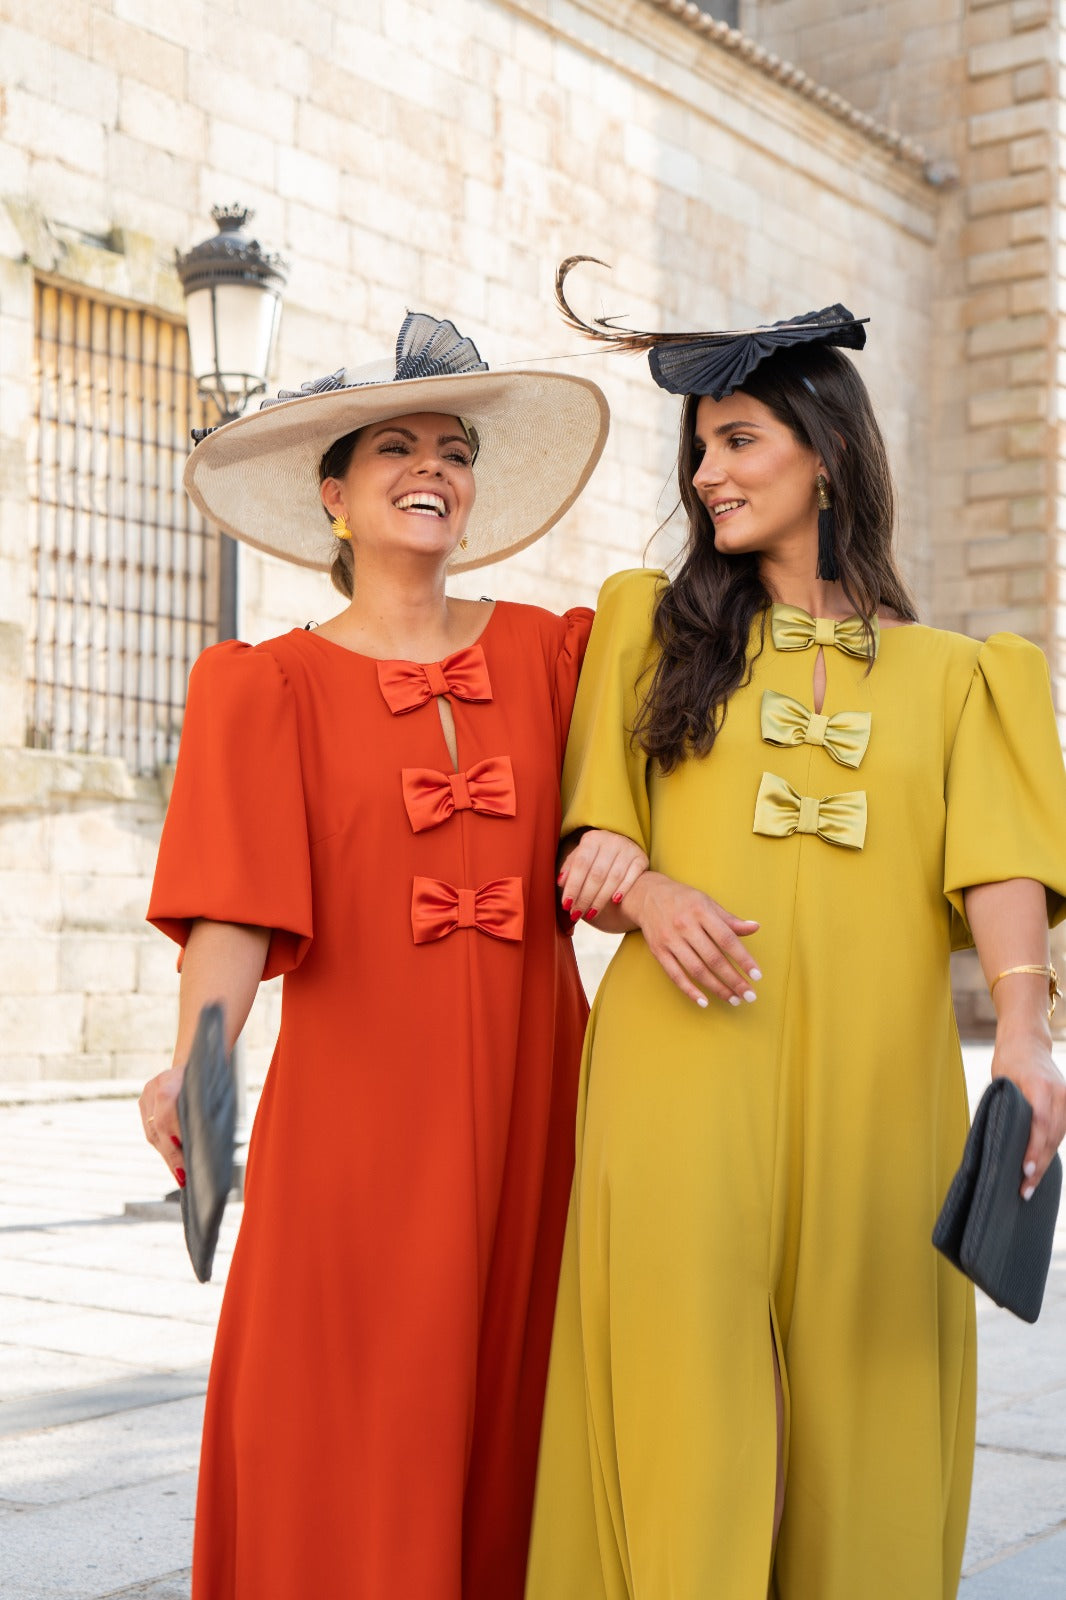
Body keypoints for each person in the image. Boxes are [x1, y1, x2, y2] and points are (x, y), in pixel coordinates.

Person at [525, 284, 1066, 1599]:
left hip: (881, 1086)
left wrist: (1025, 1039)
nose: (706, 474)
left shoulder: (960, 676)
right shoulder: (647, 626)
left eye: (737, 440)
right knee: (684, 1404)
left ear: (823, 454)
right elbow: (592, 852)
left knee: (871, 1405)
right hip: (678, 1070)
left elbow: (999, 861)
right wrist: (651, 895)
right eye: (698, 449)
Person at [137, 312, 644, 1600]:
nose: (433, 469)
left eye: (455, 451)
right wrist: (197, 1060)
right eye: (397, 450)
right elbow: (233, 906)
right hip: (357, 1111)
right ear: (335, 495)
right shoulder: (266, 686)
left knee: (520, 1394)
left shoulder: (556, 654)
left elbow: (635, 809)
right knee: (350, 1401)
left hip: (537, 1099)